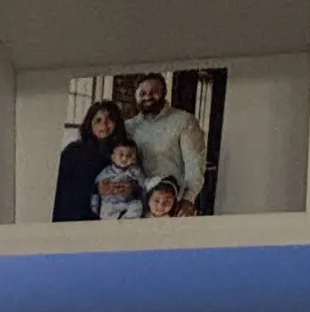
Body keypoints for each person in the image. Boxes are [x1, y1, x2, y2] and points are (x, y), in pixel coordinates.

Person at [126, 72, 206, 209]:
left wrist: (188, 199)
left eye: (154, 92)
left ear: (164, 92)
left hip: (173, 202)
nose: (148, 97)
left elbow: (195, 164)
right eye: (142, 93)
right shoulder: (129, 126)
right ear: (136, 96)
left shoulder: (184, 120)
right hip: (137, 203)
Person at [52, 99, 126, 222]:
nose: (104, 125)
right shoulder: (73, 151)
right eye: (98, 120)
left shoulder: (124, 152)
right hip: (73, 216)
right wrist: (96, 190)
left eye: (110, 120)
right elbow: (59, 188)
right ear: (89, 124)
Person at [96, 137, 148, 220]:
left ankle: (126, 222)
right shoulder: (106, 171)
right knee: (106, 212)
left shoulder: (136, 170)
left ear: (134, 158)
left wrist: (137, 187)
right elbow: (97, 188)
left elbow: (143, 185)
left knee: (137, 206)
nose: (125, 158)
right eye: (121, 155)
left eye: (129, 156)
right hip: (111, 202)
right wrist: (94, 205)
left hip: (129, 201)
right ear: (113, 157)